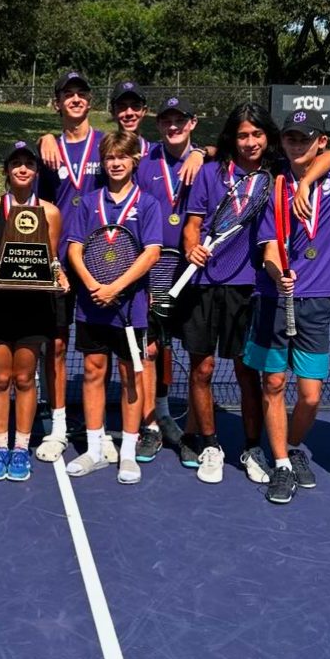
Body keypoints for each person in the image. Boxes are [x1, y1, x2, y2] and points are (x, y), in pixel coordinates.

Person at [243, 110, 330, 504]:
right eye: (290, 138)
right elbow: (269, 245)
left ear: (320, 140)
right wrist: (276, 274)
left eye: (305, 138)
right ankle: (282, 464)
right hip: (275, 298)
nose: (297, 144)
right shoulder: (272, 188)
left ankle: (288, 446)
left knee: (309, 395)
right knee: (273, 383)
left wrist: (307, 181)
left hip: (318, 303)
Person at [180, 102, 281, 484]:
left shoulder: (275, 178)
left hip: (248, 288)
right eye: (242, 135)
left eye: (256, 134)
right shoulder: (210, 174)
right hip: (204, 285)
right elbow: (193, 224)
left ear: (266, 137)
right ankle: (209, 444)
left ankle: (253, 447)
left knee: (246, 372)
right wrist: (192, 246)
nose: (250, 141)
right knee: (202, 368)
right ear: (232, 138)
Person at [64, 130, 162, 484]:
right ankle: (93, 449)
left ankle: (128, 454)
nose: (116, 163)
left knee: (130, 376)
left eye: (122, 157)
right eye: (109, 158)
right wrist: (93, 286)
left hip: (130, 308)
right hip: (92, 305)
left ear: (134, 160)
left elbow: (152, 252)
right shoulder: (88, 202)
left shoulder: (147, 204)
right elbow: (74, 248)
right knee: (92, 372)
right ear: (102, 163)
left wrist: (117, 287)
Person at [0, 141, 65, 481]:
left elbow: (52, 258)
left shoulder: (51, 212)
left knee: (25, 377)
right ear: (7, 171)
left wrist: (61, 276)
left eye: (29, 163)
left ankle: (21, 448)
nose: (23, 168)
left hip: (35, 306)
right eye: (16, 163)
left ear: (36, 171)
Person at [34, 71, 107, 463]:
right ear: (57, 103)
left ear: (90, 101)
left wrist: (202, 152)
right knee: (56, 346)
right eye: (68, 94)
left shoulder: (108, 145)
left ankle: (98, 428)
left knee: (99, 351)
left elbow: (159, 150)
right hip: (59, 263)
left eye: (81, 93)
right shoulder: (47, 151)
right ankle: (58, 425)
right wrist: (43, 138)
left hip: (101, 262)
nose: (75, 99)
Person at [133, 95, 208, 463]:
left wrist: (203, 153)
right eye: (166, 121)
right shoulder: (143, 163)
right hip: (154, 268)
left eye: (180, 120)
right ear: (158, 124)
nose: (173, 126)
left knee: (197, 356)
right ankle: (152, 424)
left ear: (192, 123)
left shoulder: (208, 163)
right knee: (151, 350)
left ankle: (193, 434)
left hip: (196, 271)